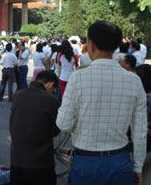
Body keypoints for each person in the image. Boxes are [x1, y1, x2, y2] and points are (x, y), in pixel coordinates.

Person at [57, 20, 147, 185]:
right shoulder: (134, 81)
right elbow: (140, 131)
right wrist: (137, 167)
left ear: (90, 45)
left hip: (85, 161)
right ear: (117, 46)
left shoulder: (78, 78)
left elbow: (63, 124)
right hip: (120, 161)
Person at [10, 70, 60, 185]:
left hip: (17, 158)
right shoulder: (51, 100)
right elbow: (55, 130)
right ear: (51, 84)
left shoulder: (18, 95)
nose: (53, 91)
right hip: (41, 162)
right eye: (53, 89)